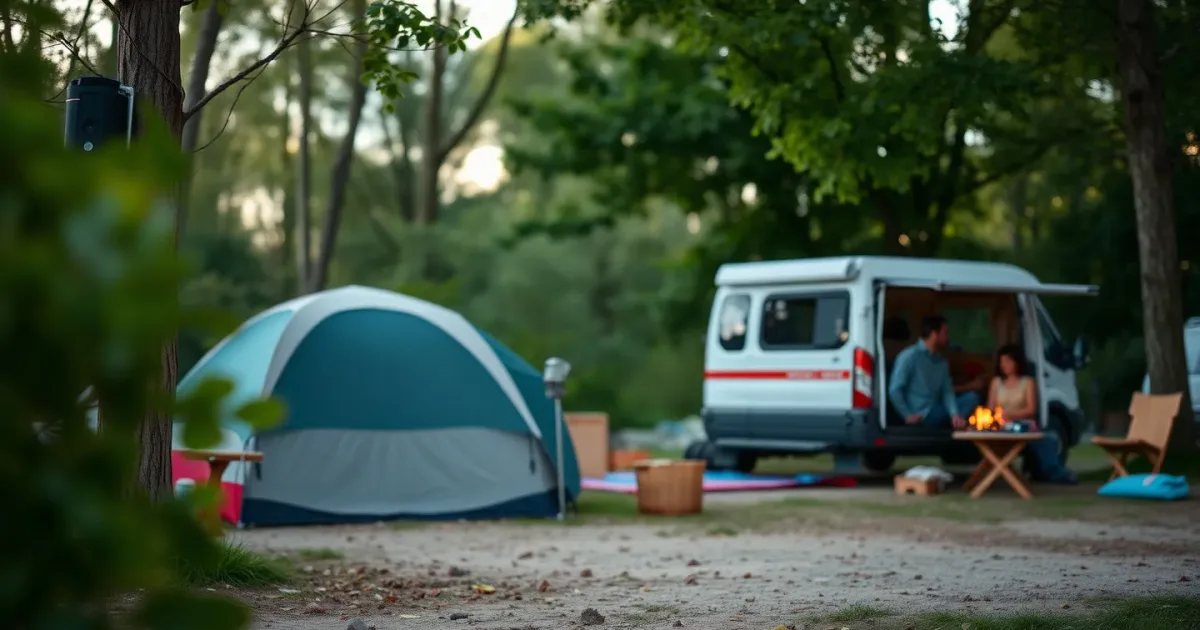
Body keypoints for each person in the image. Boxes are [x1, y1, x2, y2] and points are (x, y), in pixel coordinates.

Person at [987, 344, 1077, 484]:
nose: (1004, 365)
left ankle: (1055, 472)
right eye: (1002, 362)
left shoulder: (1027, 382)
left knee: (1049, 438)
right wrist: (998, 417)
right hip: (1001, 427)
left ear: (1017, 362)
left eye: (1008, 361)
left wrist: (1009, 414)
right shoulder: (996, 383)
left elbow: (1031, 410)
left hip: (1021, 426)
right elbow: (990, 410)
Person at [888, 315, 980, 430]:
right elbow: (894, 390)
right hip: (922, 414)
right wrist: (907, 415)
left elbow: (947, 391)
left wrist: (954, 414)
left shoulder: (941, 362)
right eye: (945, 332)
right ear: (934, 334)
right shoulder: (909, 356)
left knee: (972, 398)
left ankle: (956, 424)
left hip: (937, 409)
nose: (948, 337)